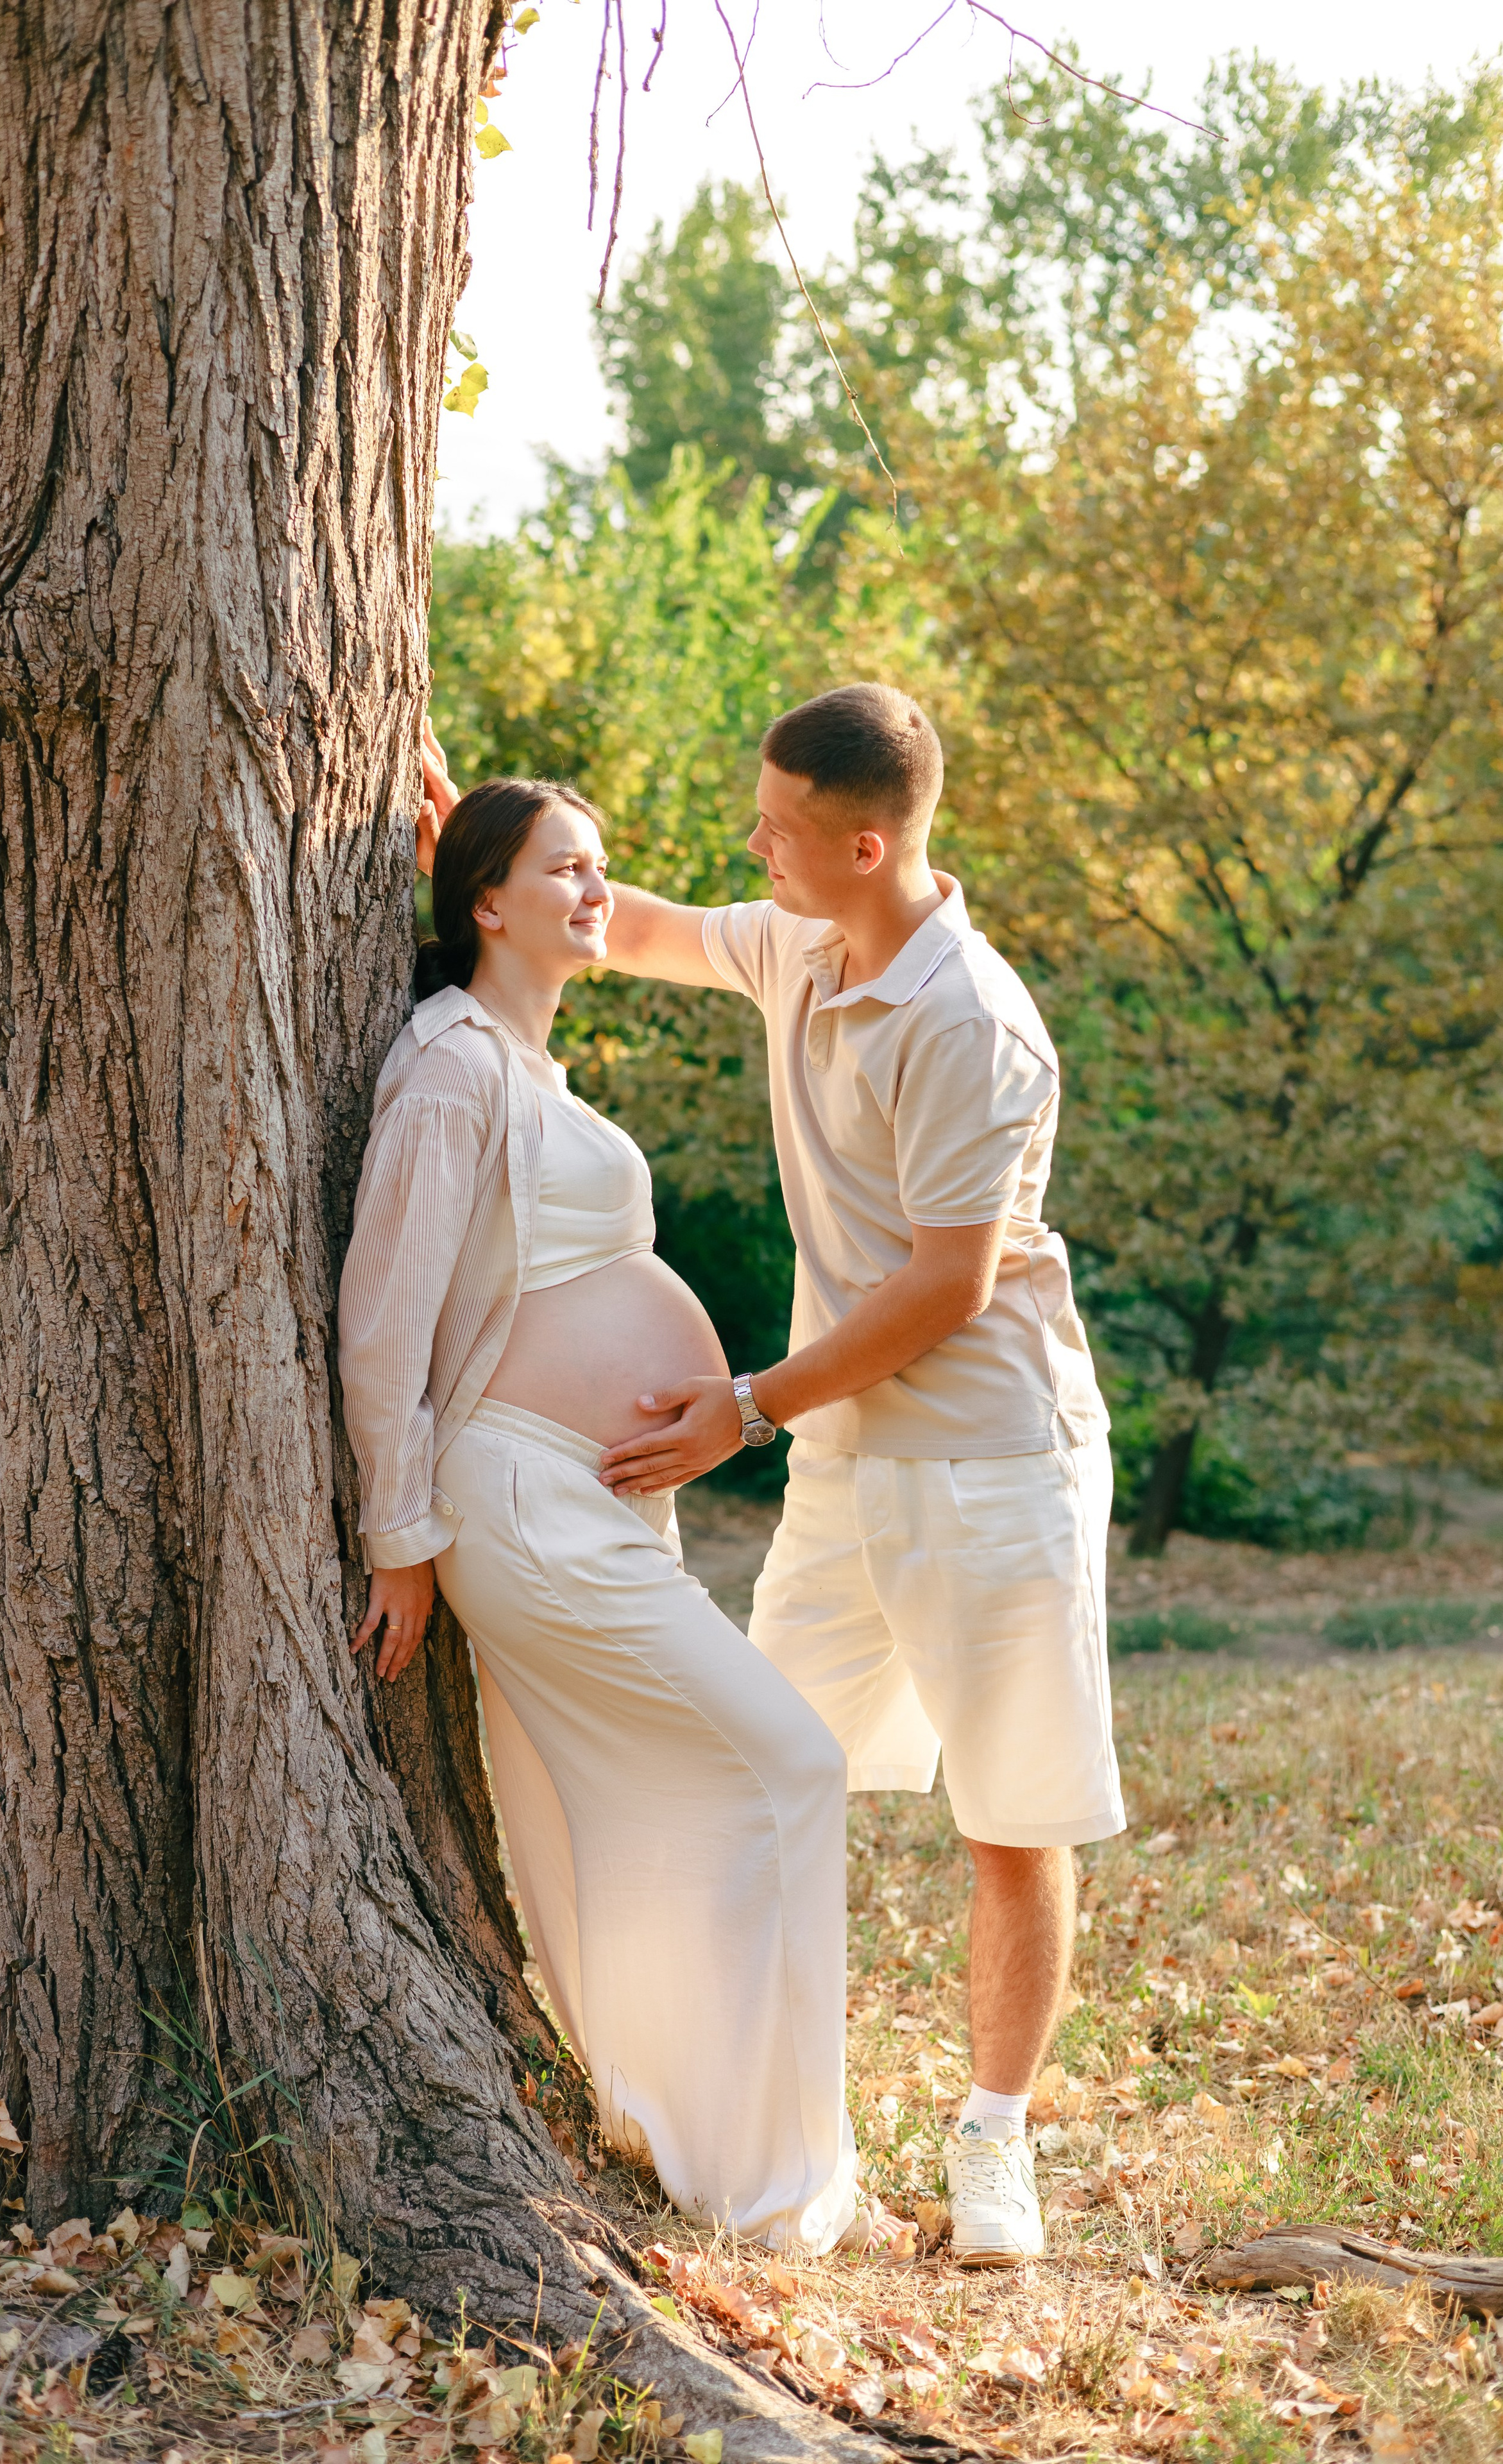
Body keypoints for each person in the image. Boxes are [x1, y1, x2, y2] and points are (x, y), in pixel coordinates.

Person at [595, 683, 1126, 2265]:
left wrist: (739, 1407)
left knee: (1007, 1822)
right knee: (759, 1768)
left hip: (987, 1460)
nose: (748, 845)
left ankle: (991, 2144)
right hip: (841, 1461)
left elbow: (940, 1290)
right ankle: (739, 2106)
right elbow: (636, 928)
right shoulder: (796, 940)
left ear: (867, 843)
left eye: (773, 828)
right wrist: (461, 823)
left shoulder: (973, 1022)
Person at [337, 758, 860, 2253]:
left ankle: (711, 2141)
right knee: (786, 1763)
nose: (597, 890)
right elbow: (381, 1326)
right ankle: (769, 2185)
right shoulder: (449, 1067)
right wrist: (403, 1545)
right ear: (485, 903)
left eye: (601, 865)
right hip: (511, 1503)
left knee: (644, 1815)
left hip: (589, 1505)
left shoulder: (520, 1061)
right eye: (564, 867)